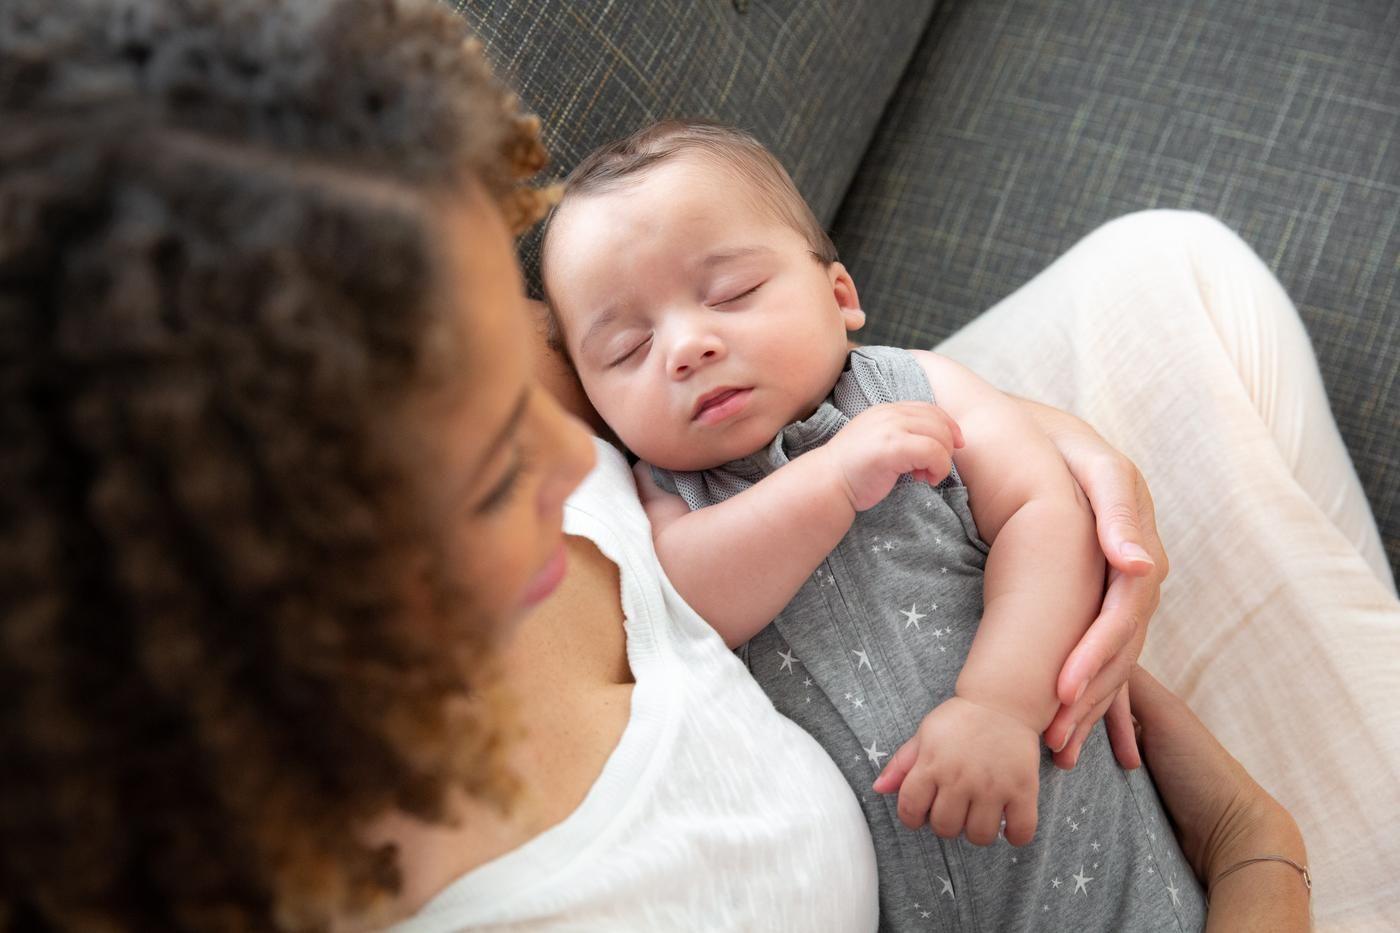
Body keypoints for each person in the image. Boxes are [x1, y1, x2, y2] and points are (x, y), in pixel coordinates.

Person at [0, 0, 1347, 930]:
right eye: (481, 476)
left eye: (530, 356)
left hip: (988, 672)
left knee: (1173, 272)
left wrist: (1027, 450)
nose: (575, 443)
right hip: (1066, 868)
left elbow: (802, 387)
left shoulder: (420, 353)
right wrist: (1257, 852)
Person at [537, 119, 1208, 930]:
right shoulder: (667, 496)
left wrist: (1000, 702)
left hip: (1086, 852)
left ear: (840, 296)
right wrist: (830, 480)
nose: (686, 346)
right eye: (627, 347)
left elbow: (1048, 514)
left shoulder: (915, 386)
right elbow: (689, 601)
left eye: (732, 294)